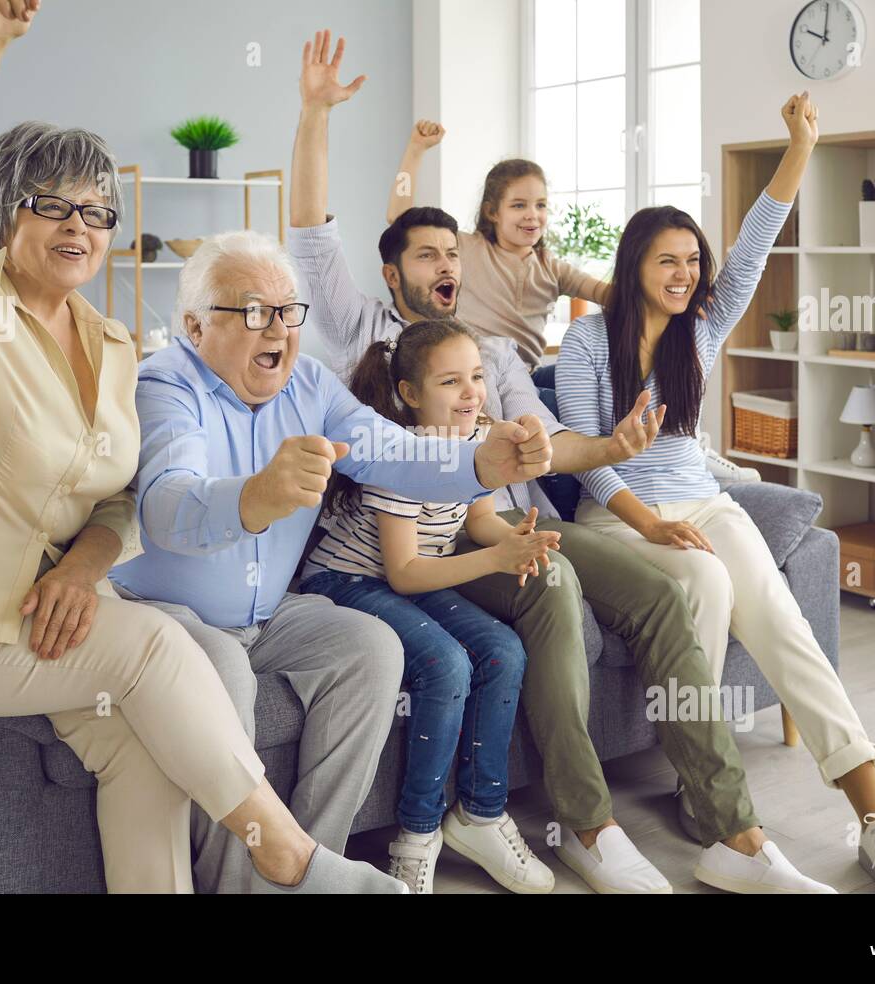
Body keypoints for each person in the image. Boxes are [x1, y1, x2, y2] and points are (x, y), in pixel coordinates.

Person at [0, 0, 405, 896]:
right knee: (153, 650)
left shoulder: (108, 345)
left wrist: (80, 566)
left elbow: (118, 498)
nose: (80, 225)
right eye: (51, 204)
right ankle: (287, 858)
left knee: (141, 747)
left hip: (32, 609)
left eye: (99, 212)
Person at [288, 29, 837, 894]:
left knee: (662, 593)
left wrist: (608, 449)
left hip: (501, 513)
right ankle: (588, 823)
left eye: (451, 254)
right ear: (391, 272)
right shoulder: (365, 335)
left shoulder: (493, 357)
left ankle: (732, 832)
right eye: (425, 255)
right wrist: (316, 116)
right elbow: (311, 233)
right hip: (422, 546)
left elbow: (545, 442)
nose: (445, 266)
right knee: (550, 587)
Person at [556, 92, 875, 894]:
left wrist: (802, 144)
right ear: (634, 266)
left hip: (705, 501)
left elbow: (759, 238)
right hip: (621, 513)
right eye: (667, 260)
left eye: (692, 261)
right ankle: (710, 800)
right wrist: (650, 525)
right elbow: (588, 461)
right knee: (703, 579)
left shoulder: (702, 326)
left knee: (782, 619)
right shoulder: (588, 339)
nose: (685, 273)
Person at [108, 229, 555, 894]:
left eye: (290, 311)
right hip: (168, 615)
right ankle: (243, 880)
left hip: (269, 613)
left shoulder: (309, 384)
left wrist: (479, 463)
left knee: (371, 647)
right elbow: (167, 508)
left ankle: (311, 866)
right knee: (223, 672)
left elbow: (395, 452)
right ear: (195, 325)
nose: (280, 330)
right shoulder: (164, 386)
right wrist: (256, 497)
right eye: (255, 311)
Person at [301, 319, 558, 894]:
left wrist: (514, 544)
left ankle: (481, 815)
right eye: (450, 382)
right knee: (446, 664)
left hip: (404, 580)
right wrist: (494, 562)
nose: (471, 392)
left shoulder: (480, 444)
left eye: (475, 377)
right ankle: (416, 837)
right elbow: (406, 572)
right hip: (345, 581)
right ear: (411, 394)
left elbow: (481, 519)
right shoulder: (403, 456)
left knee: (503, 650)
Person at [388, 120, 610, 370]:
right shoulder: (465, 248)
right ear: (492, 211)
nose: (532, 215)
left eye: (540, 205)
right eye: (518, 205)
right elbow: (399, 217)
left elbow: (608, 294)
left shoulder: (553, 268)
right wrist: (415, 150)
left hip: (526, 380)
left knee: (579, 377)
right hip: (475, 372)